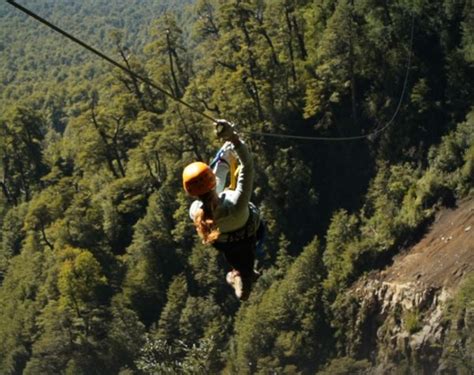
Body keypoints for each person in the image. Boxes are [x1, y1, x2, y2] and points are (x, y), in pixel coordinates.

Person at [182, 119, 262, 301]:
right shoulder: (235, 201)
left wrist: (227, 154)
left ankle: (241, 274)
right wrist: (234, 139)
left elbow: (214, 186)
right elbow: (246, 166)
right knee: (249, 244)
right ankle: (243, 274)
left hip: (225, 240)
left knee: (237, 252)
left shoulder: (196, 212)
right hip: (250, 230)